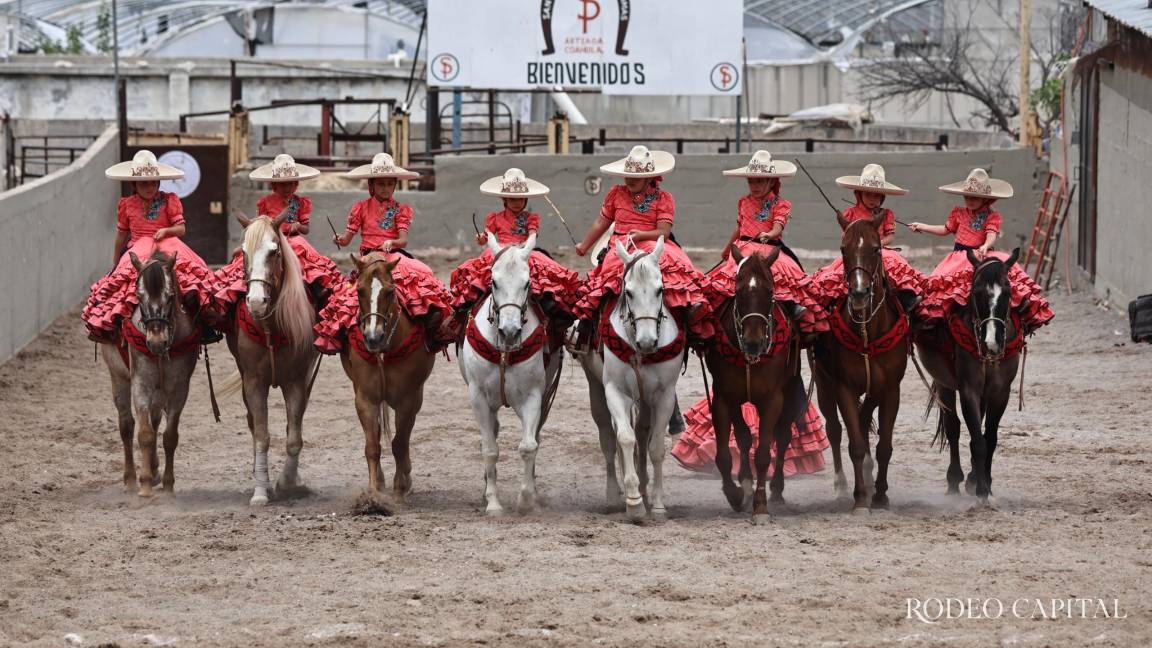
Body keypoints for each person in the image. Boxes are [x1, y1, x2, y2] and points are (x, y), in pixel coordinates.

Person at [674, 150, 828, 478]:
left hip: (770, 250)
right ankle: (707, 325)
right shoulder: (743, 202)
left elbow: (777, 227)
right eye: (752, 179)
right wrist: (727, 247)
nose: (755, 185)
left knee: (785, 284)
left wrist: (768, 236)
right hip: (742, 250)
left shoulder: (781, 204)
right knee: (714, 288)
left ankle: (796, 316)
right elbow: (739, 227)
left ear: (772, 180)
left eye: (761, 180)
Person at [572, 145, 710, 348]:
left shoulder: (664, 199)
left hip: (652, 242)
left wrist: (640, 235)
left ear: (649, 177)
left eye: (636, 175)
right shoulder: (616, 194)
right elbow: (601, 222)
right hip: (622, 245)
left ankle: (688, 317)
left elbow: (663, 231)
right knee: (609, 279)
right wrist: (585, 245)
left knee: (675, 268)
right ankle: (589, 325)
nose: (630, 179)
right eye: (628, 175)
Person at [315, 153, 453, 353]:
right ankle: (340, 337)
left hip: (393, 256)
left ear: (395, 185)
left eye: (390, 184)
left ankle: (430, 326)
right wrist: (339, 239)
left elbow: (403, 240)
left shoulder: (400, 209)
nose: (385, 188)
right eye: (381, 184)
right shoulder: (360, 208)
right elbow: (347, 239)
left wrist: (392, 242)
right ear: (371, 185)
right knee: (349, 294)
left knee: (422, 274)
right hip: (369, 259)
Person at [82, 150, 218, 343]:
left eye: (153, 182)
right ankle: (116, 327)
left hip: (167, 243)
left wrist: (166, 231)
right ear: (134, 184)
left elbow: (181, 229)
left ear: (159, 183)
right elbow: (121, 234)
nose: (149, 187)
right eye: (144, 183)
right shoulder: (127, 205)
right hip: (138, 246)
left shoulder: (169, 200)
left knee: (187, 279)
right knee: (124, 285)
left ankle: (202, 323)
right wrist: (116, 263)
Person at [908, 168, 1054, 333]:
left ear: (985, 199)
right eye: (967, 196)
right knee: (944, 288)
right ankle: (940, 323)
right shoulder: (958, 213)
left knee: (1005, 279)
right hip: (959, 257)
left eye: (975, 197)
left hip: (983, 253)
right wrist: (922, 226)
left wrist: (985, 245)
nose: (970, 200)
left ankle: (1020, 309)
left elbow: (991, 234)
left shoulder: (992, 216)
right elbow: (945, 229)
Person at [449, 168, 578, 333]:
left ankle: (553, 318)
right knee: (478, 280)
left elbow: (532, 234)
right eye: (512, 199)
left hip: (525, 251)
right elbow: (488, 235)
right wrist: (482, 238)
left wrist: (528, 244)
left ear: (526, 199)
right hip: (499, 250)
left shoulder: (532, 218)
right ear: (504, 199)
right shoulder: (495, 218)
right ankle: (464, 316)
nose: (517, 202)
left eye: (520, 199)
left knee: (545, 281)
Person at [215, 154, 343, 312]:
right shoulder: (265, 202)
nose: (286, 188)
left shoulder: (298, 202)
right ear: (274, 184)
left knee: (308, 261)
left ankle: (316, 288)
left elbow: (306, 228)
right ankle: (236, 291)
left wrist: (298, 226)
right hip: (269, 239)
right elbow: (260, 224)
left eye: (289, 184)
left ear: (295, 184)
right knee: (245, 257)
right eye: (282, 184)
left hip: (293, 240)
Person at [807, 163, 925, 317]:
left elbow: (890, 236)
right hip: (856, 252)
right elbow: (845, 237)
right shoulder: (850, 213)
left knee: (896, 270)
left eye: (876, 195)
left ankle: (906, 300)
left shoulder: (887, 214)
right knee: (834, 277)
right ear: (859, 194)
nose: (872, 199)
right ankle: (830, 306)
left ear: (882, 197)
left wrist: (875, 246)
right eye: (868, 194)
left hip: (880, 251)